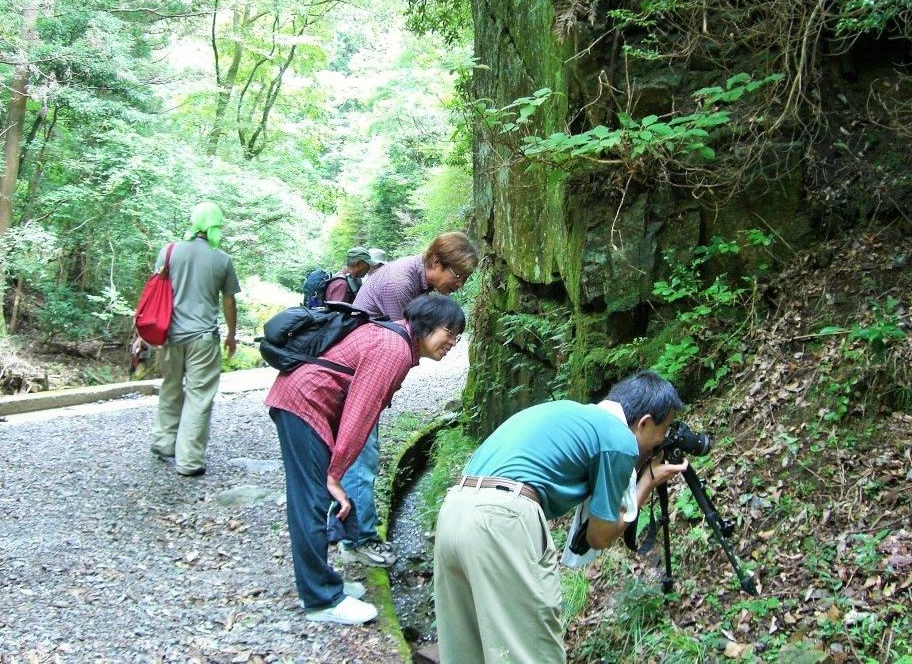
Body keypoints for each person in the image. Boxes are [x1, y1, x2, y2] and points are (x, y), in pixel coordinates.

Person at [433, 370, 688, 663]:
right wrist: (646, 483)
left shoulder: (574, 415)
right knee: (530, 652)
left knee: (467, 651)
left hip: (455, 507)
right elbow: (599, 536)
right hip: (501, 519)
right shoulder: (619, 439)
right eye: (663, 430)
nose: (662, 440)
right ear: (643, 423)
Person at [265, 294, 466, 625]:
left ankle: (323, 585)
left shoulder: (396, 340)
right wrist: (336, 474)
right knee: (312, 499)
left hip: (305, 402)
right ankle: (321, 599)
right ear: (426, 325)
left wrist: (336, 469)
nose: (453, 342)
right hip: (303, 404)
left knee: (314, 497)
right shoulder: (394, 349)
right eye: (450, 331)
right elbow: (360, 415)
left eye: (458, 335)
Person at [340, 232, 479, 568]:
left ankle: (351, 530)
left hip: (361, 372)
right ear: (435, 263)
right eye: (457, 276)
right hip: (356, 376)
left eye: (466, 279)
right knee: (361, 454)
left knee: (359, 454)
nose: (459, 285)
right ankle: (358, 539)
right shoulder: (401, 283)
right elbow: (404, 343)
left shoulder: (415, 281)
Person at [149, 201, 240, 477]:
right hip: (202, 337)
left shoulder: (170, 251)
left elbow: (155, 291)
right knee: (199, 397)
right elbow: (228, 302)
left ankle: (164, 442)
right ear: (216, 225)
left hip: (169, 335)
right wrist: (232, 334)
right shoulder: (222, 259)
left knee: (170, 387)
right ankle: (188, 461)